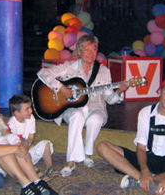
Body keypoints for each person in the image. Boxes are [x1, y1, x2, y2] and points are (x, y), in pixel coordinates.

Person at [97, 75, 165, 195]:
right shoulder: (145, 112)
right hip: (147, 158)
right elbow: (141, 147)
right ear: (159, 92)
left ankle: (144, 179)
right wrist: (144, 170)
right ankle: (142, 177)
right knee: (102, 147)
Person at [37, 34, 129, 177]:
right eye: (86, 50)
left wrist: (120, 90)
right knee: (78, 116)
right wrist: (62, 88)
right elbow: (42, 73)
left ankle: (87, 153)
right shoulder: (70, 67)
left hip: (95, 107)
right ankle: (71, 160)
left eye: (94, 50)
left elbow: (109, 98)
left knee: (96, 119)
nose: (91, 53)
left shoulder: (103, 71)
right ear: (79, 52)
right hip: (72, 107)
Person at [0, 83, 58, 195]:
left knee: (11, 141)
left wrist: (21, 143)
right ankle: (26, 185)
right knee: (1, 143)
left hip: (1, 167)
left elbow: (9, 134)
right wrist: (15, 148)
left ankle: (37, 182)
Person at [8, 94, 58, 181]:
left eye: (30, 107)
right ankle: (35, 171)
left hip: (28, 150)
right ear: (17, 113)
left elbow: (31, 137)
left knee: (46, 144)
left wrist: (28, 144)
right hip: (19, 157)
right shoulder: (11, 124)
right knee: (22, 153)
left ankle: (50, 169)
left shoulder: (31, 118)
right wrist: (27, 146)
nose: (31, 110)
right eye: (27, 109)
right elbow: (17, 147)